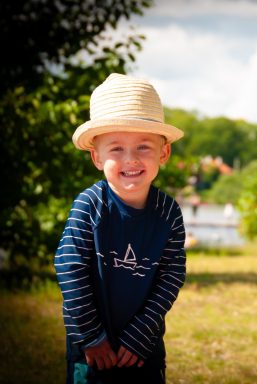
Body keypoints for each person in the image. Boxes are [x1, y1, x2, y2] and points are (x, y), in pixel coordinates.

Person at [54, 73, 186, 384]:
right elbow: (69, 268)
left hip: (143, 345)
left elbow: (171, 276)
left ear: (163, 153)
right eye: (116, 149)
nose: (131, 159)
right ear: (96, 156)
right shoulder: (89, 205)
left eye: (143, 147)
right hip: (89, 346)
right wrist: (92, 336)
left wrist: (143, 332)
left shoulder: (168, 212)